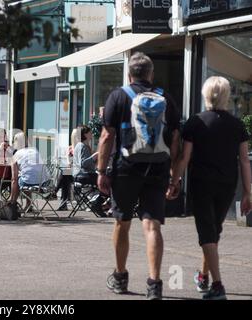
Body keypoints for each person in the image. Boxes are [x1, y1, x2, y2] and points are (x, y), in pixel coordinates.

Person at [97, 52, 181, 300]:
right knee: (152, 225)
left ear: (129, 74)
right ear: (151, 74)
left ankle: (120, 277)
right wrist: (173, 173)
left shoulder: (119, 96)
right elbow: (175, 137)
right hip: (158, 168)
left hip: (126, 168)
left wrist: (101, 172)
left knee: (122, 222)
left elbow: (106, 136)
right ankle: (154, 284)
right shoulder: (166, 97)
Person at [167, 76, 251, 300]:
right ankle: (203, 276)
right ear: (226, 96)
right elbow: (244, 160)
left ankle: (218, 285)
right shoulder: (237, 125)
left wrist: (174, 182)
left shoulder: (196, 122)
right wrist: (248, 192)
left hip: (202, 183)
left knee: (207, 233)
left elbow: (184, 158)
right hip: (227, 185)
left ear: (206, 95)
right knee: (214, 232)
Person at [72, 125, 107, 216]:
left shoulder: (84, 145)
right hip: (82, 175)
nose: (91, 134)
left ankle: (97, 202)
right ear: (85, 134)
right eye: (90, 132)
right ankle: (97, 203)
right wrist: (94, 156)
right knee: (106, 181)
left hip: (84, 174)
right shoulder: (81, 146)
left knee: (104, 180)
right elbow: (83, 163)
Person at [10, 135, 49, 208]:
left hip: (29, 182)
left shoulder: (16, 155)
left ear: (16, 142)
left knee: (20, 180)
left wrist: (11, 198)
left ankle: (12, 203)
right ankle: (29, 204)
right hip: (44, 183)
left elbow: (13, 179)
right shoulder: (35, 150)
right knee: (27, 176)